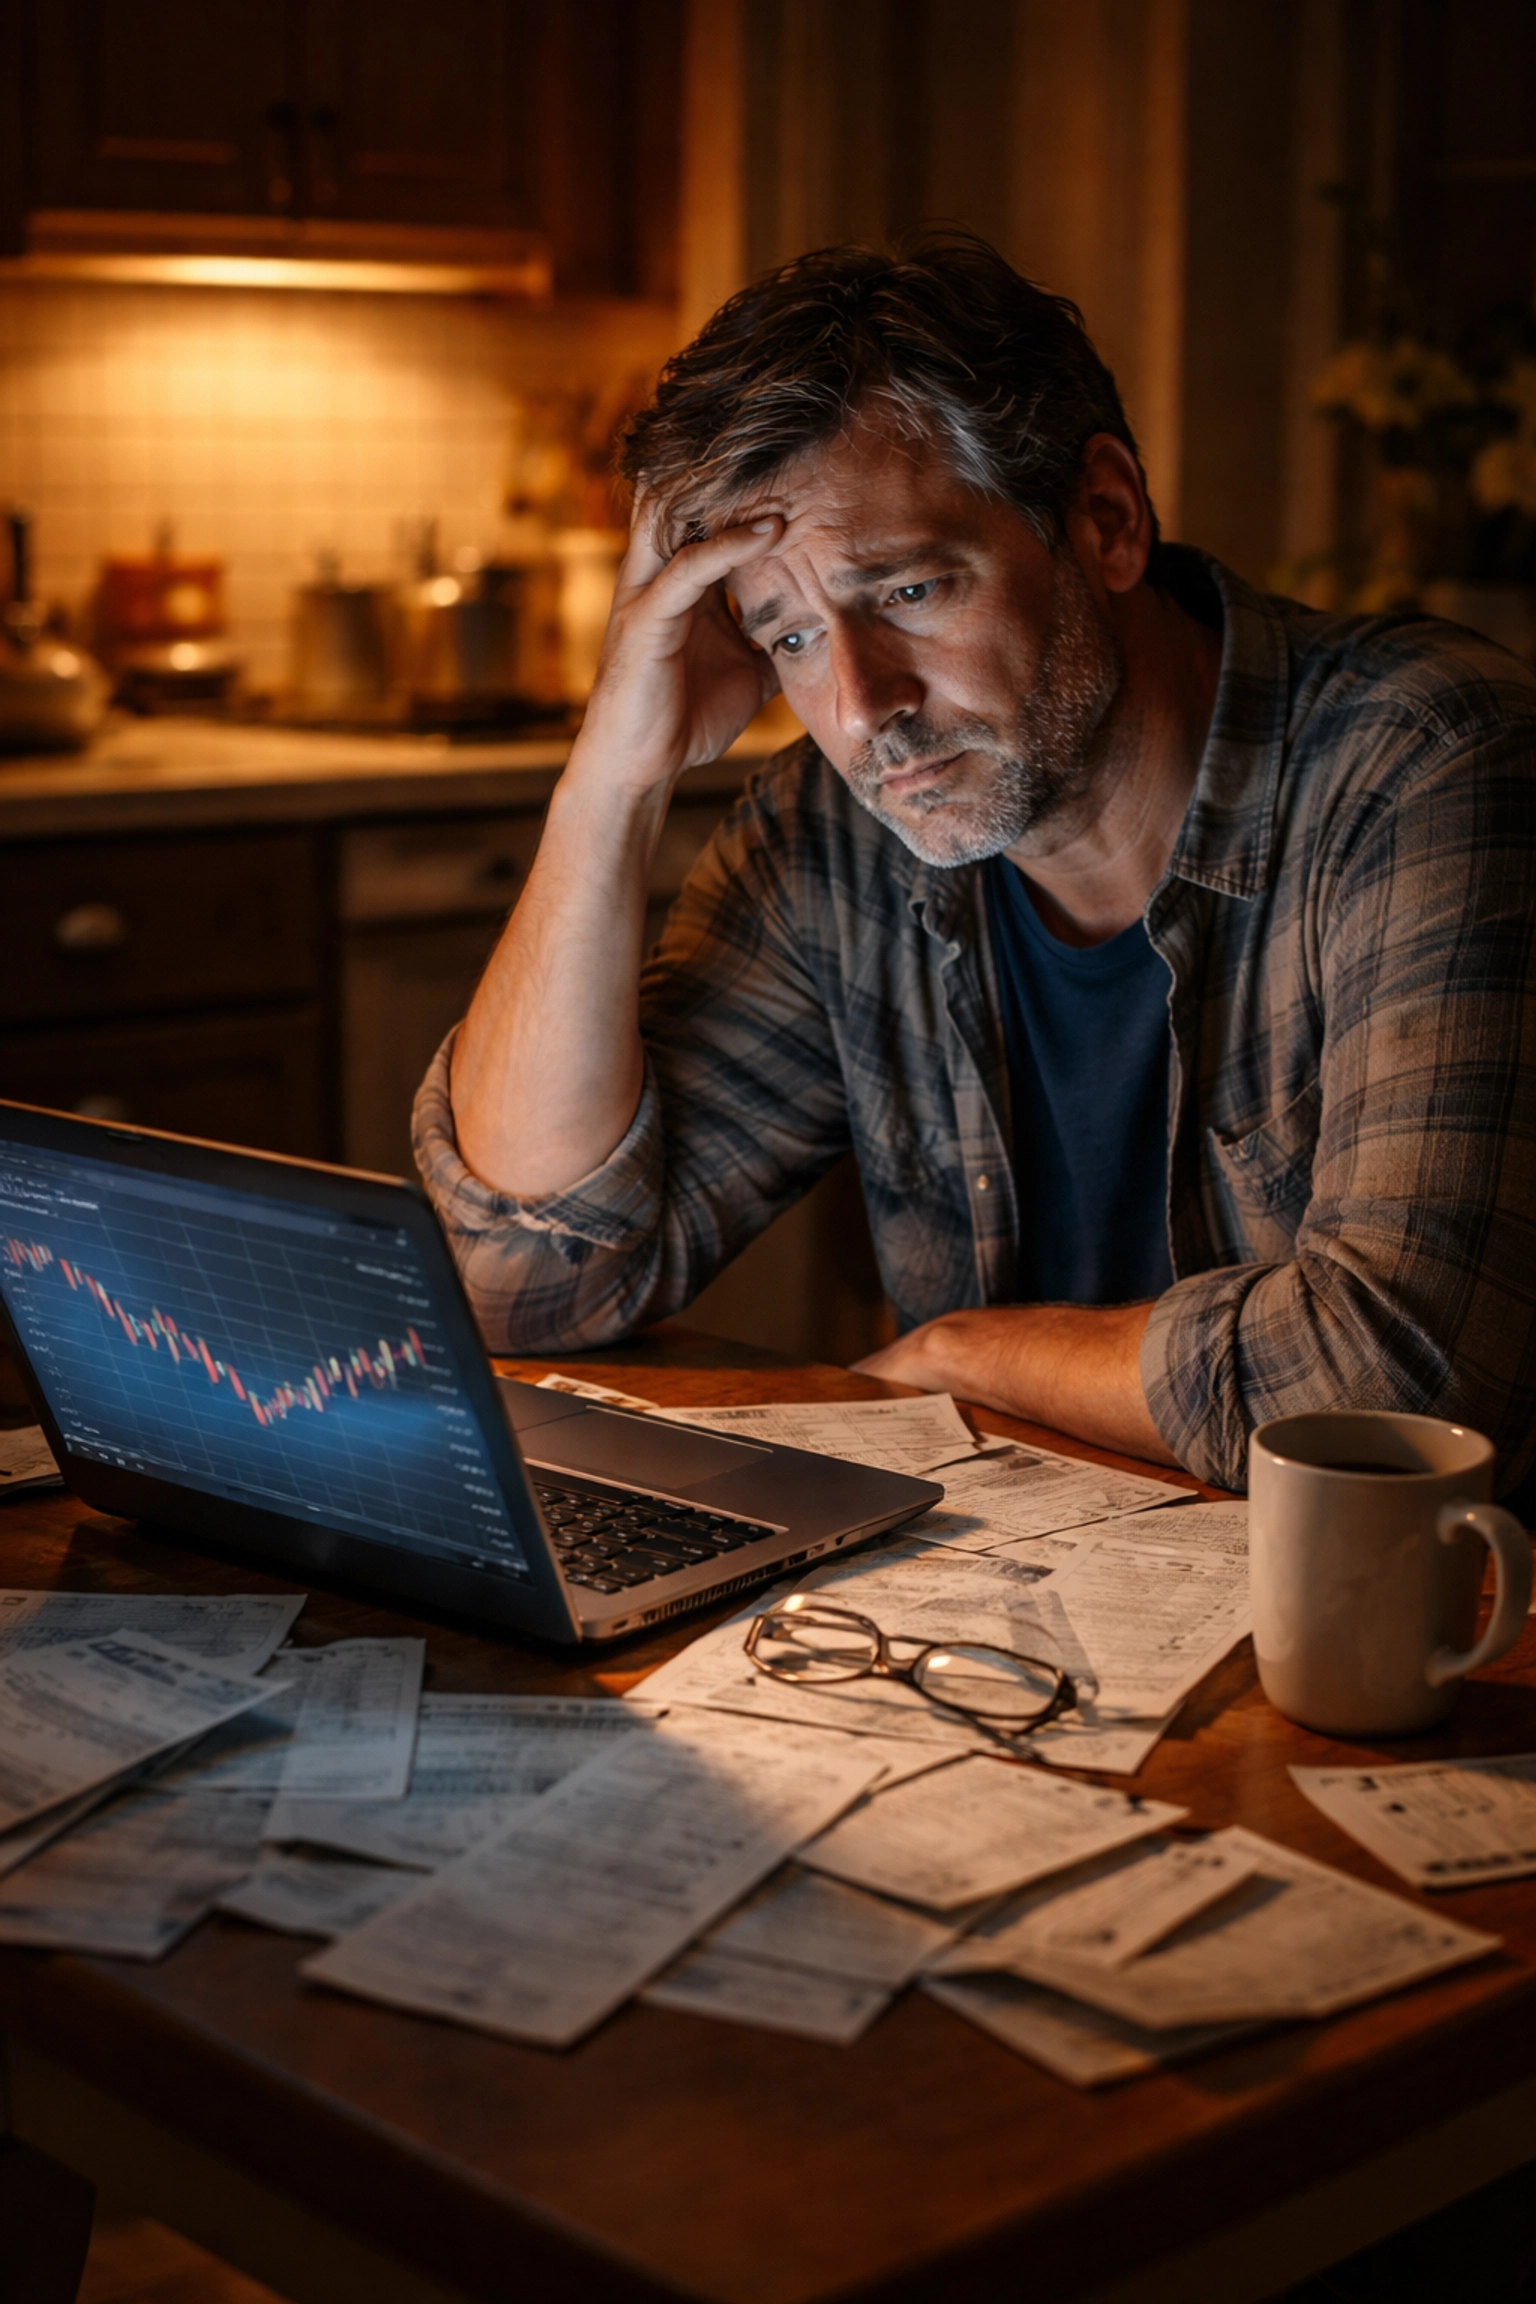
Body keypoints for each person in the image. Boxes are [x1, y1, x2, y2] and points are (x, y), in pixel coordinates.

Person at [415, 233, 1536, 1495]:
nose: (856, 707)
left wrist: (967, 1355)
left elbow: (1391, 1385)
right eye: (786, 636)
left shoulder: (1429, 765)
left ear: (1104, 520)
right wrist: (612, 777)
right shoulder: (830, 838)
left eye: (903, 593)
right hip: (1029, 1613)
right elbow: (524, 1276)